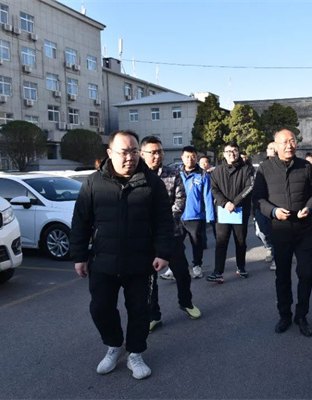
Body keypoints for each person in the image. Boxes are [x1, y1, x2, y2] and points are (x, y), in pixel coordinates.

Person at [71, 130, 174, 380]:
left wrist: (163, 252)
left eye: (134, 151)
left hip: (141, 261)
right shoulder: (93, 183)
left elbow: (164, 221)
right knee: (100, 308)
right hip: (103, 261)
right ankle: (114, 345)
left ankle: (135, 353)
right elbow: (81, 221)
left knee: (140, 310)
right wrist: (79, 256)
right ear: (110, 153)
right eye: (124, 152)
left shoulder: (152, 183)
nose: (130, 157)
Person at [253, 129, 312, 337]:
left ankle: (302, 315)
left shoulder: (305, 166)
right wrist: (273, 211)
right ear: (275, 145)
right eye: (284, 142)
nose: (289, 145)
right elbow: (258, 199)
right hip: (280, 232)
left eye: (292, 141)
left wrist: (309, 208)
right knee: (282, 276)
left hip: (304, 231)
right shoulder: (265, 168)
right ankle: (284, 314)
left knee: (306, 274)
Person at [139, 136, 201, 333]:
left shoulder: (173, 174)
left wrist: (161, 221)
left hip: (171, 234)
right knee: (149, 279)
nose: (157, 156)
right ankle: (154, 315)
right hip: (146, 238)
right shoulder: (137, 177)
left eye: (159, 151)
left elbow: (180, 202)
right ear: (142, 154)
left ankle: (186, 302)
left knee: (182, 272)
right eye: (152, 152)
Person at [165, 146, 215, 280]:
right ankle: (173, 268)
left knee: (196, 243)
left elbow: (208, 197)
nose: (190, 159)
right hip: (178, 215)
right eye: (187, 156)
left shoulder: (203, 175)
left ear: (196, 157)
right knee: (176, 244)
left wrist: (210, 216)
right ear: (182, 158)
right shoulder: (175, 173)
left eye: (193, 156)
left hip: (195, 215)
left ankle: (197, 265)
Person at [207, 142, 254, 283]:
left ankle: (241, 267)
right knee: (221, 241)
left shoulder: (246, 169)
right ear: (223, 153)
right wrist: (225, 203)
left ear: (238, 152)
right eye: (228, 151)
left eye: (234, 151)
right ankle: (218, 272)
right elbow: (214, 189)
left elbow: (249, 187)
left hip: (240, 210)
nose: (231, 154)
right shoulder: (217, 170)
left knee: (240, 241)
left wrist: (235, 202)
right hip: (223, 211)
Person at [254, 142, 276, 270]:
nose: (272, 150)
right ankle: (269, 247)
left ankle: (276, 257)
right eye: (270, 148)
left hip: (276, 204)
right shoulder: (262, 166)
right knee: (261, 232)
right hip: (262, 204)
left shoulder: (282, 165)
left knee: (276, 233)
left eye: (274, 148)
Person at [198, 155, 216, 247]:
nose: (203, 164)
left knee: (214, 223)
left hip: (212, 202)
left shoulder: (213, 174)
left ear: (209, 163)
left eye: (205, 162)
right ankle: (203, 242)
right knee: (202, 224)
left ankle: (219, 240)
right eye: (201, 163)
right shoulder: (198, 175)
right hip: (201, 203)